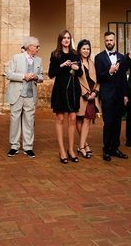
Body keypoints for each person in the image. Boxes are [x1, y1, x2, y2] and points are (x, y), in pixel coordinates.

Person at [5, 36, 43, 158]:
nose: (38, 48)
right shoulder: (16, 58)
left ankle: (28, 147)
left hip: (30, 95)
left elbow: (41, 76)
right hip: (17, 93)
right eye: (37, 46)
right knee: (15, 119)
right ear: (29, 47)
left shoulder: (39, 60)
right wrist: (23, 76)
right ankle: (14, 146)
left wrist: (36, 77)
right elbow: (9, 74)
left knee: (29, 121)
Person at [95, 31, 129, 162]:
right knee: (108, 123)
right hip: (107, 95)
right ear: (104, 41)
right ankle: (106, 149)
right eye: (107, 40)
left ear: (114, 41)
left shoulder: (121, 57)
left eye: (111, 40)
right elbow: (98, 76)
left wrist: (125, 95)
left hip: (119, 95)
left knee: (117, 123)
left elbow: (123, 79)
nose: (109, 42)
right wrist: (109, 72)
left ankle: (115, 148)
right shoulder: (99, 57)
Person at [48, 30, 82, 163]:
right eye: (64, 38)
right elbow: (51, 74)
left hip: (73, 89)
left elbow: (79, 74)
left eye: (68, 38)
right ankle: (62, 150)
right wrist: (62, 65)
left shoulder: (75, 54)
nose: (66, 40)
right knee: (60, 119)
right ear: (60, 40)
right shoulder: (55, 54)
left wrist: (76, 67)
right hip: (60, 90)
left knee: (72, 119)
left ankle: (71, 150)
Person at [75, 39, 100, 159]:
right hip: (81, 96)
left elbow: (98, 81)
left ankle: (81, 146)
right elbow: (76, 81)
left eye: (88, 49)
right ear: (79, 50)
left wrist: (95, 92)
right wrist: (85, 94)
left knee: (87, 120)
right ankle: (84, 145)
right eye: (84, 48)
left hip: (92, 96)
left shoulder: (92, 63)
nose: (86, 51)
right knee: (79, 120)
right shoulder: (77, 63)